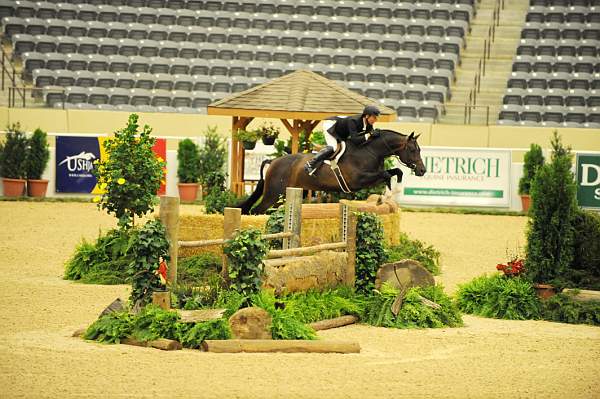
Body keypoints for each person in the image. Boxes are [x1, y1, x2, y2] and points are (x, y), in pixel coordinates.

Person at [304, 105, 381, 176]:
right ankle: (310, 164)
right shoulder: (353, 121)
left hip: (341, 132)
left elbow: (368, 138)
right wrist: (369, 134)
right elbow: (356, 140)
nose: (376, 120)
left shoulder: (368, 124)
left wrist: (375, 135)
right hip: (331, 126)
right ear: (367, 116)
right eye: (374, 117)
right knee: (333, 147)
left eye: (376, 117)